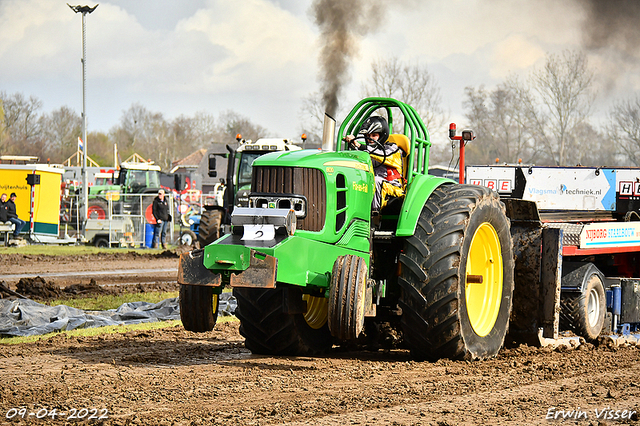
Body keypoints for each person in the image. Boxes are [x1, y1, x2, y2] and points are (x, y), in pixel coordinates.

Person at [345, 116, 405, 213]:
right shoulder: (368, 150)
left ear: (382, 135)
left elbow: (380, 155)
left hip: (393, 189)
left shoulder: (392, 149)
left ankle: (374, 215)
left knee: (375, 180)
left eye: (374, 135)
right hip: (374, 188)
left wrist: (359, 145)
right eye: (368, 135)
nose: (370, 138)